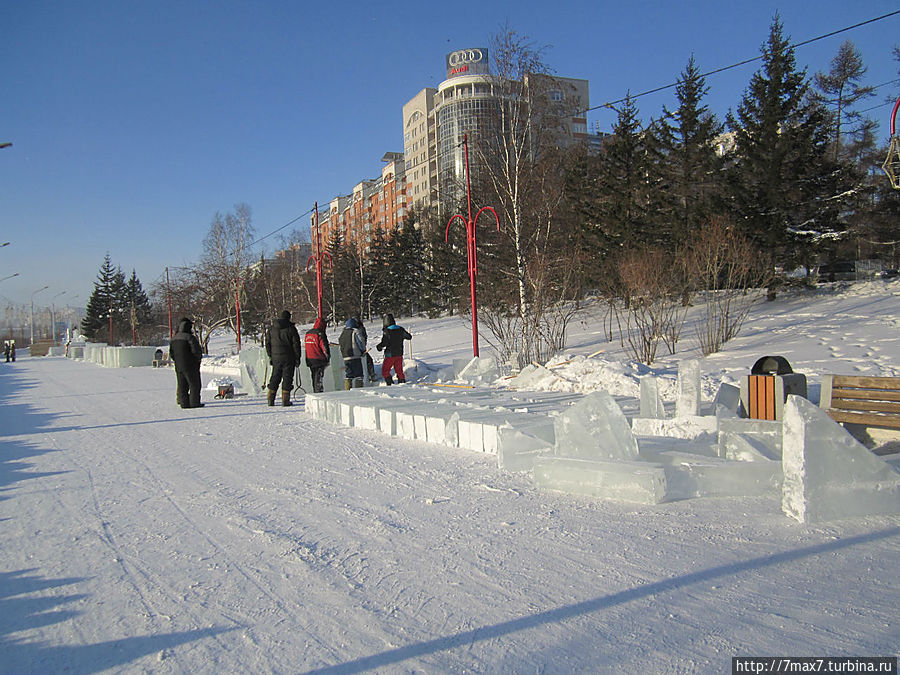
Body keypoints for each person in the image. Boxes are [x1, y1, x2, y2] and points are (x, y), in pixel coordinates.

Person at [265, 310, 302, 407]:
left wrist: (271, 356)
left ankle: (270, 398)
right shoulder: (291, 329)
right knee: (287, 378)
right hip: (289, 358)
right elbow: (296, 344)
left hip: (276, 357)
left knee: (275, 376)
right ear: (288, 318)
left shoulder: (271, 329)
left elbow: (267, 344)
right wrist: (297, 358)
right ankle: (285, 400)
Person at [169, 318, 203, 408]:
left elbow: (171, 353)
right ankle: (194, 402)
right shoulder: (190, 338)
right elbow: (196, 351)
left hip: (178, 366)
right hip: (191, 365)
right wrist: (197, 360)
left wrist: (177, 361)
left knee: (182, 385)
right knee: (194, 384)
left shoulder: (174, 339)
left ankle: (184, 403)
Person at [376, 313, 412, 384]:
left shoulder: (387, 331)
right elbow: (409, 337)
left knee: (385, 370)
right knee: (399, 371)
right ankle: (402, 382)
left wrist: (379, 347)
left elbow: (384, 343)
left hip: (390, 355)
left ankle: (390, 384)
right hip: (399, 354)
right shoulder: (400, 329)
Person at [304, 317, 331, 393]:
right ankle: (318, 392)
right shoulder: (320, 334)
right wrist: (327, 358)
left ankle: (315, 390)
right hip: (319, 358)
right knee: (318, 377)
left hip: (310, 358)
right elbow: (324, 347)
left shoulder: (308, 333)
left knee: (314, 376)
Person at [339, 317, 366, 389]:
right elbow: (360, 342)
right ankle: (359, 390)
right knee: (359, 375)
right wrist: (363, 351)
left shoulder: (342, 334)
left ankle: (348, 390)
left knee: (349, 375)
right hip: (355, 355)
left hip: (346, 357)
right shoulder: (355, 331)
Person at [355, 315, 378, 383]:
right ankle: (372, 375)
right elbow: (362, 340)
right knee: (369, 361)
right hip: (359, 350)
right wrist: (362, 349)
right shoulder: (358, 330)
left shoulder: (350, 330)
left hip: (352, 351)